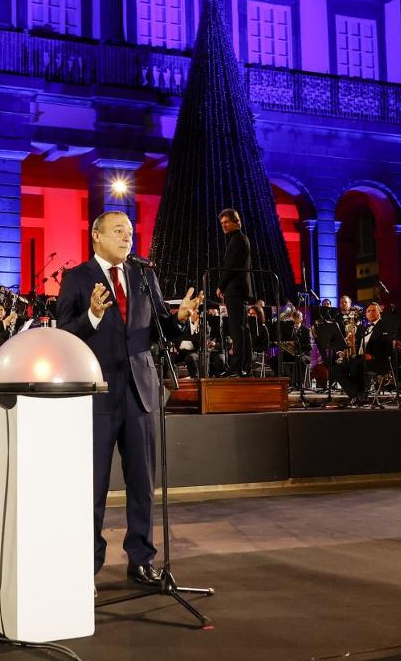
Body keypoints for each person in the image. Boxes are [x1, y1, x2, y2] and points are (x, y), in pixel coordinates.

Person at [57, 211, 203, 587]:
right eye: (119, 231)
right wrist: (91, 314)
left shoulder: (143, 275)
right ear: (96, 235)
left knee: (142, 482)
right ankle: (85, 565)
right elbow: (64, 334)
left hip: (141, 391)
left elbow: (161, 331)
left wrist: (180, 318)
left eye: (131, 232)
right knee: (93, 485)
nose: (127, 238)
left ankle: (141, 559)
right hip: (98, 395)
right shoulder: (77, 278)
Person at [334, 302, 394, 406]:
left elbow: (388, 347)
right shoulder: (365, 328)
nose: (371, 313)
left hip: (377, 361)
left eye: (374, 310)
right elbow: (359, 346)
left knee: (356, 366)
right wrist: (346, 352)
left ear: (379, 311)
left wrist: (373, 356)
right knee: (336, 368)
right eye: (368, 311)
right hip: (360, 359)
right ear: (365, 314)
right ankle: (355, 395)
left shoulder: (385, 326)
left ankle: (360, 395)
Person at [216, 208, 252, 376]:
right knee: (242, 329)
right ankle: (243, 366)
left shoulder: (237, 240)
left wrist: (221, 286)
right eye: (221, 223)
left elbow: (230, 267)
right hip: (239, 289)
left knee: (237, 330)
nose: (223, 225)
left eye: (226, 222)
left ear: (236, 222)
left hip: (235, 290)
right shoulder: (239, 239)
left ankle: (237, 367)